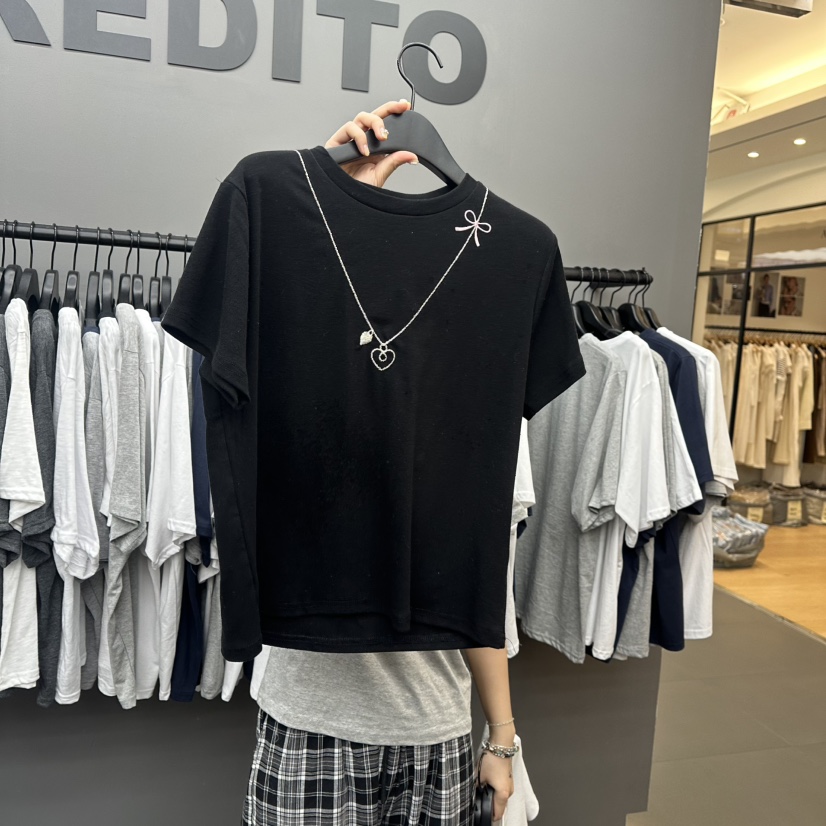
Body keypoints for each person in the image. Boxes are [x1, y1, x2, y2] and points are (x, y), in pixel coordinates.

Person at [242, 100, 517, 826]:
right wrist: (329, 192)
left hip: (436, 728)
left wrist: (503, 735)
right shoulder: (285, 252)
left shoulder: (497, 299)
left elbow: (482, 566)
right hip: (309, 723)